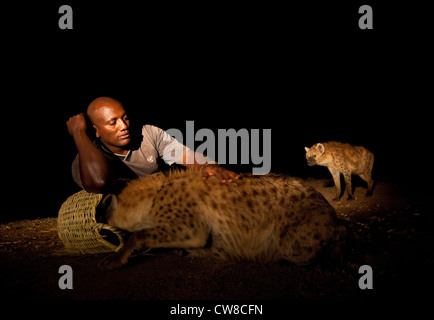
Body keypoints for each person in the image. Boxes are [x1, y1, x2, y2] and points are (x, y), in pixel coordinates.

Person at [67, 97, 239, 193]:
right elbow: (99, 182)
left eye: (125, 117)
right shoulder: (85, 161)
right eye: (113, 123)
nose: (124, 126)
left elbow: (186, 155)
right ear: (96, 130)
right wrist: (79, 133)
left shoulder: (148, 133)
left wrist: (209, 166)